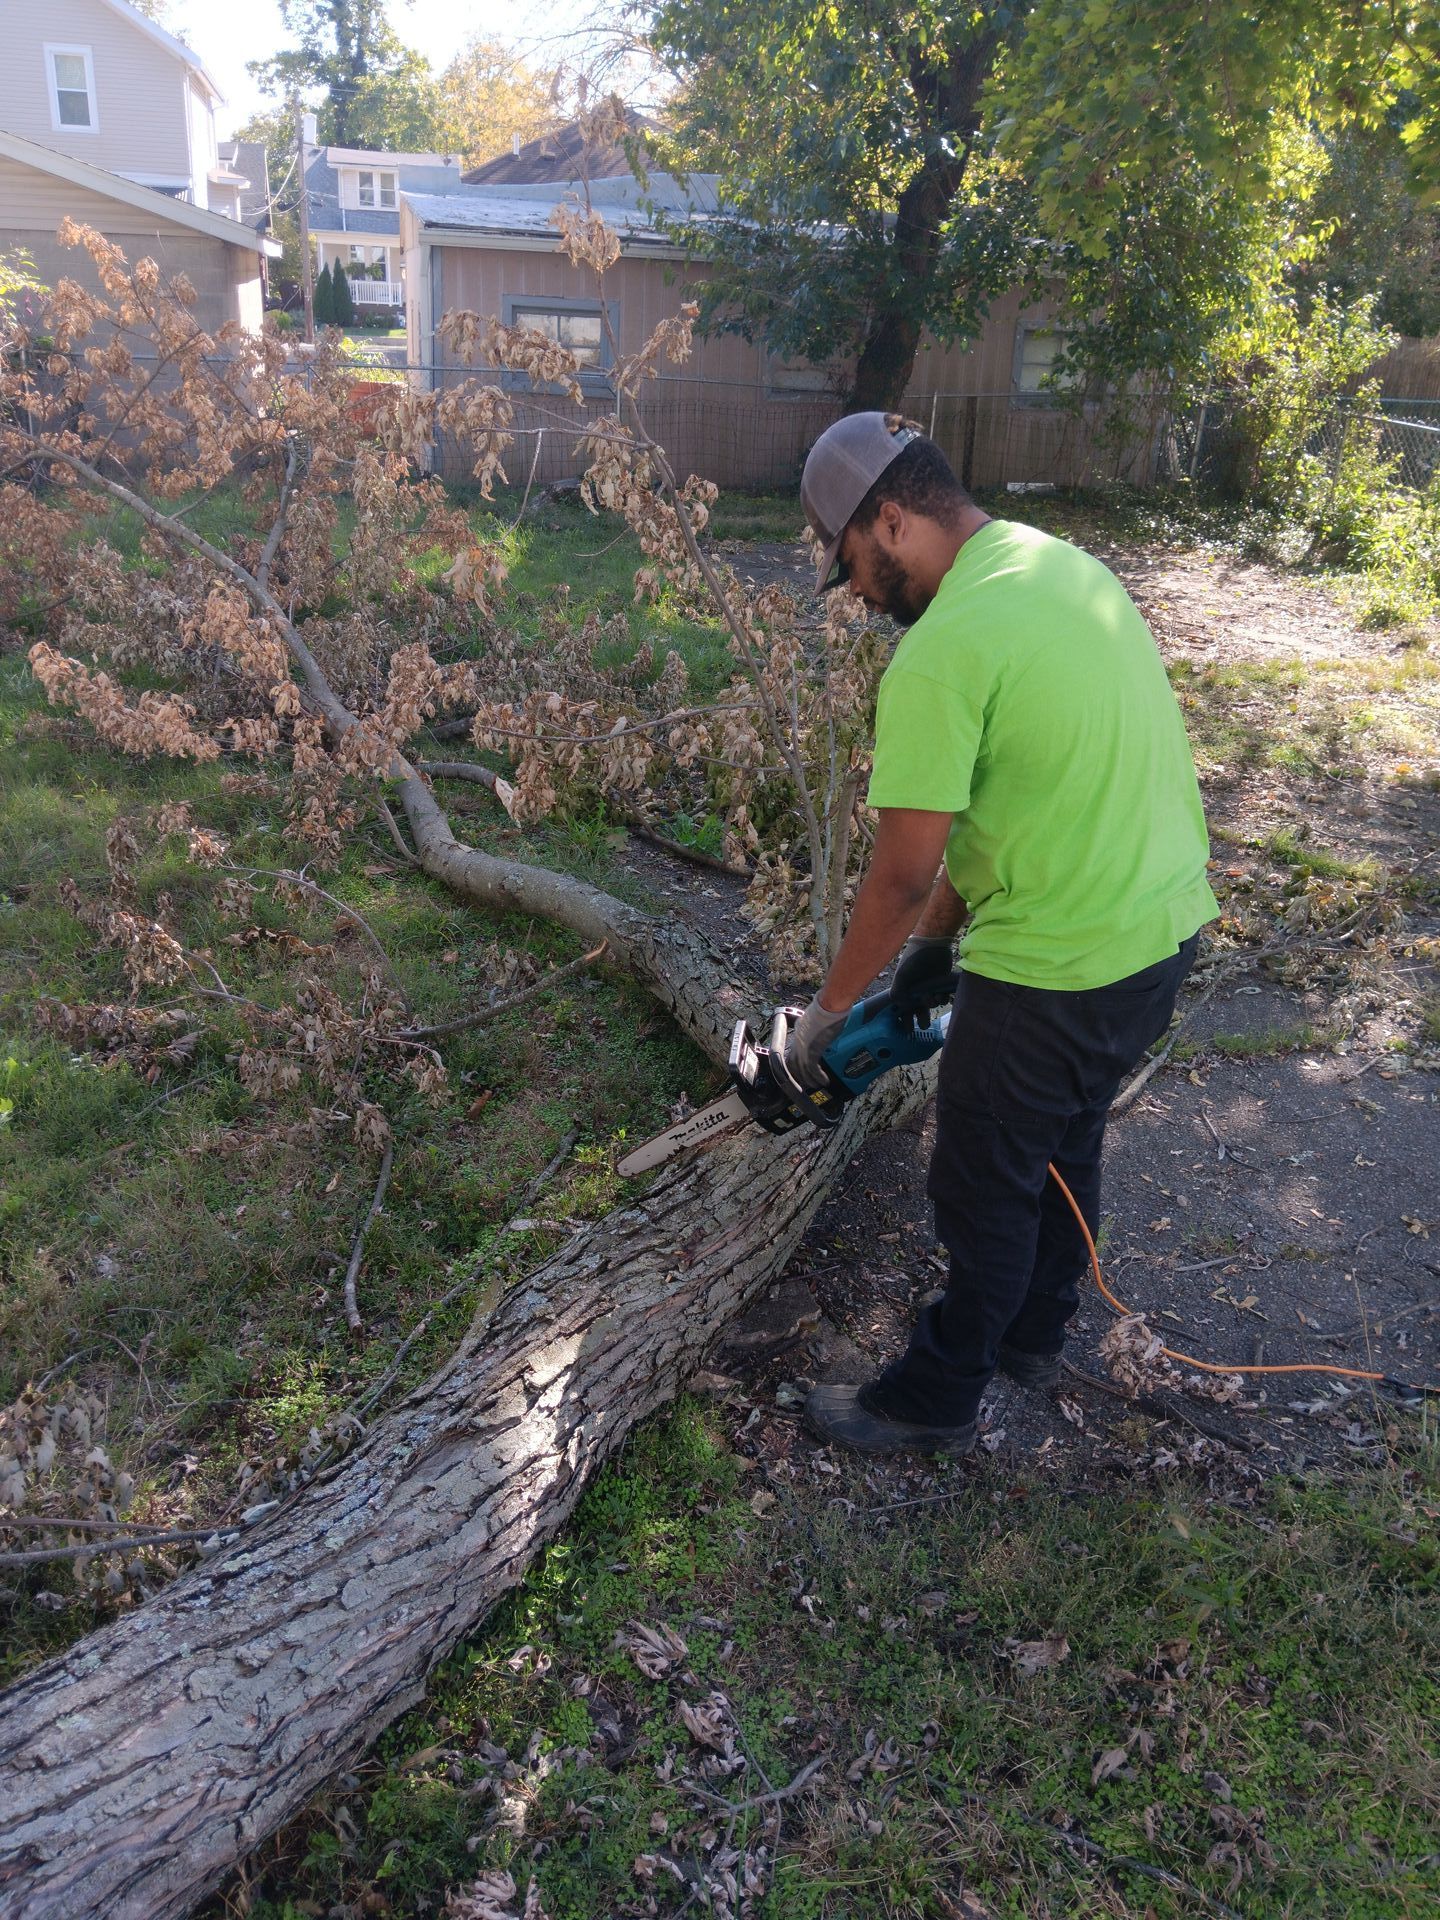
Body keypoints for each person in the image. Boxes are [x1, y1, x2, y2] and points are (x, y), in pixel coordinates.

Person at [793, 413, 1218, 1456]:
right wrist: (936, 957)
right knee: (1066, 1144)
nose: (851, 593)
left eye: (848, 563)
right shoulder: (1061, 567)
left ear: (889, 520)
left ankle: (934, 1397)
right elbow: (1009, 812)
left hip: (1056, 968)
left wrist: (829, 1014)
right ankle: (1034, 1336)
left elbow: (900, 874)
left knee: (982, 1177)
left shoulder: (941, 653)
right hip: (1159, 936)